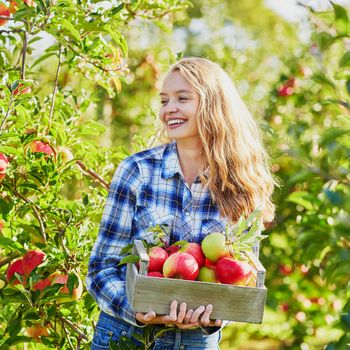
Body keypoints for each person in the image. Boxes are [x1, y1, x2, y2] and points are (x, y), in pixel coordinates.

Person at [86, 57, 276, 349]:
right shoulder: (137, 172)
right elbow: (101, 267)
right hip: (126, 337)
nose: (168, 109)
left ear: (213, 105)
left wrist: (214, 318)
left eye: (182, 98)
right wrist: (135, 309)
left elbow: (242, 280)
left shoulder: (242, 185)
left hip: (195, 342)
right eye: (164, 100)